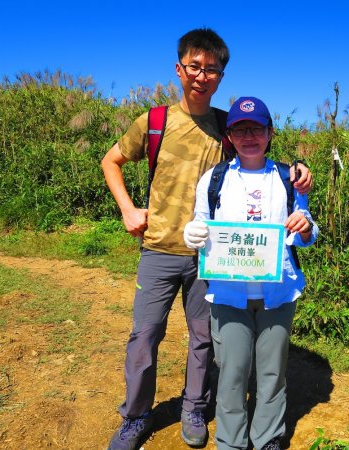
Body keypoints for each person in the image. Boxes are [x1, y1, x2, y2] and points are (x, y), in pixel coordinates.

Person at [101, 30, 312, 450]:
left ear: (220, 75)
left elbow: (259, 159)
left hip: (214, 259)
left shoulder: (224, 125)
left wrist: (299, 168)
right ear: (179, 70)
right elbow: (111, 160)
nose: (202, 75)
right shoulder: (154, 121)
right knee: (144, 335)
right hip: (159, 248)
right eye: (194, 67)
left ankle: (195, 408)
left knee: (203, 340)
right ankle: (136, 416)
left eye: (211, 68)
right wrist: (128, 209)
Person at [183, 96, 319, 450]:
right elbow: (202, 225)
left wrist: (305, 227)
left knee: (272, 372)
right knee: (231, 372)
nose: (248, 136)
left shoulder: (290, 178)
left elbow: (306, 235)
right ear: (229, 137)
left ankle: (268, 438)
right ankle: (230, 441)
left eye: (256, 128)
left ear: (270, 132)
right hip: (228, 294)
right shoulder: (214, 179)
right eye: (240, 130)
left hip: (278, 294)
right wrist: (193, 233)